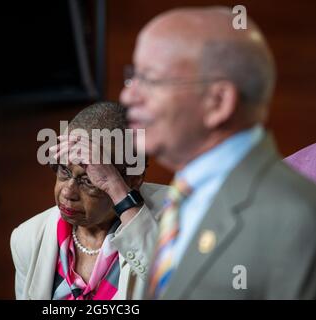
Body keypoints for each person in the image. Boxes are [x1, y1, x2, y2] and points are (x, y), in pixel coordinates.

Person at [120, 6, 316, 299]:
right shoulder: (184, 195)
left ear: (218, 102)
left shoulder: (297, 218)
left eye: (151, 79)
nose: (127, 96)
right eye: (132, 77)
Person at [10, 102, 167, 300]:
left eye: (89, 180)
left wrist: (118, 191)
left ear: (134, 179)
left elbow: (177, 289)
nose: (68, 192)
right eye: (63, 171)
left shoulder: (174, 214)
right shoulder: (28, 238)